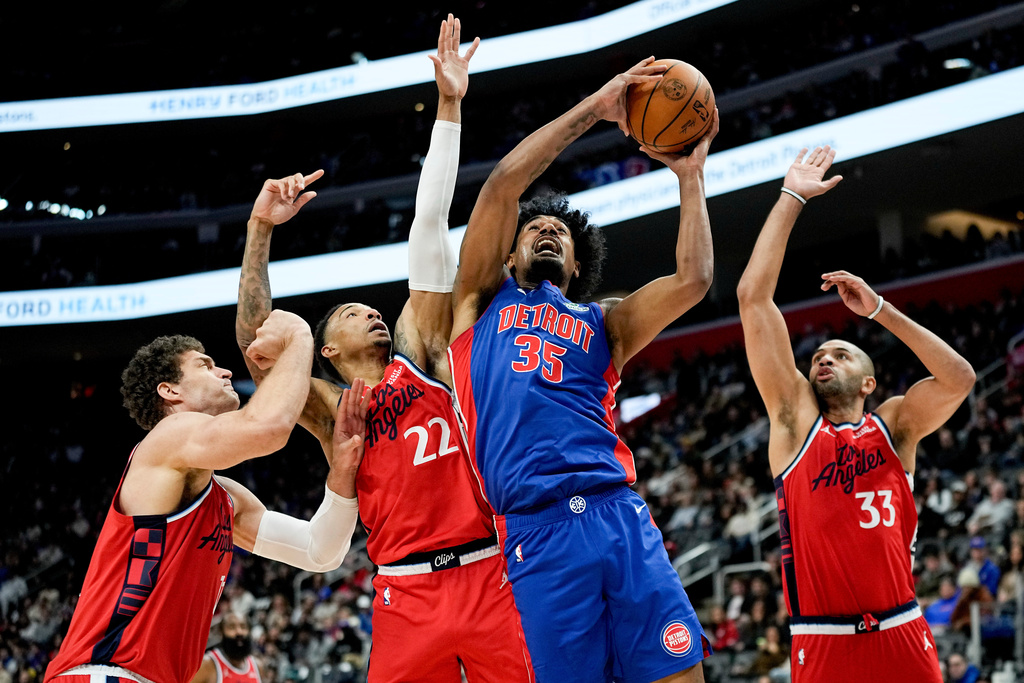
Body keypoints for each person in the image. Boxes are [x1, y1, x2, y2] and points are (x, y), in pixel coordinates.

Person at [234, 16, 533, 682]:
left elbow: (430, 224)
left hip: (489, 571)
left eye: (372, 308)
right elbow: (257, 343)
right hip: (404, 592)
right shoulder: (330, 407)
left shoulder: (423, 350)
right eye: (349, 312)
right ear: (330, 349)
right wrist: (259, 229)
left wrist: (450, 105)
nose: (370, 311)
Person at [447, 56, 717, 682]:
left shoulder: (605, 323)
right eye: (534, 228)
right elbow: (502, 187)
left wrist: (690, 176)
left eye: (559, 233)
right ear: (509, 256)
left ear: (575, 265)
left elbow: (694, 280)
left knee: (681, 673)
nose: (546, 231)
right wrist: (596, 109)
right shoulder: (477, 307)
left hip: (617, 514)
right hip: (535, 532)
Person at [736, 146, 977, 683]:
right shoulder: (795, 422)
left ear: (870, 381)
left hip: (902, 629)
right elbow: (753, 297)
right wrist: (792, 196)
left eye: (841, 353)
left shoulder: (895, 425)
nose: (824, 358)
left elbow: (960, 378)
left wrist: (879, 310)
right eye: (818, 356)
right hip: (824, 639)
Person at [42, 309, 371, 683]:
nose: (226, 372)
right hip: (106, 673)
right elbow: (269, 427)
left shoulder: (226, 499)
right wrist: (299, 334)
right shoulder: (168, 437)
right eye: (205, 365)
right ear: (170, 391)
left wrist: (342, 474)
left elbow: (320, 551)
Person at [189, 613, 264, 683]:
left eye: (243, 627)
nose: (239, 632)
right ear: (222, 633)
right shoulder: (207, 665)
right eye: (232, 627)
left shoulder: (258, 666)